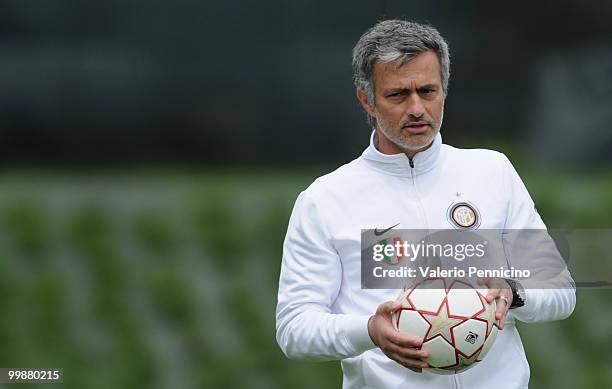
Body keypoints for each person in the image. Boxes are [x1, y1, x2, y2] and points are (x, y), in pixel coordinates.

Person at [276, 20, 575, 388]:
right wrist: (369, 330)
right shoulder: (324, 199)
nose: (417, 108)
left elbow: (561, 290)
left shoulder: (492, 171)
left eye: (428, 91)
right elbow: (294, 328)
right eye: (399, 94)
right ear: (366, 100)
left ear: (444, 91)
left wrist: (513, 293)